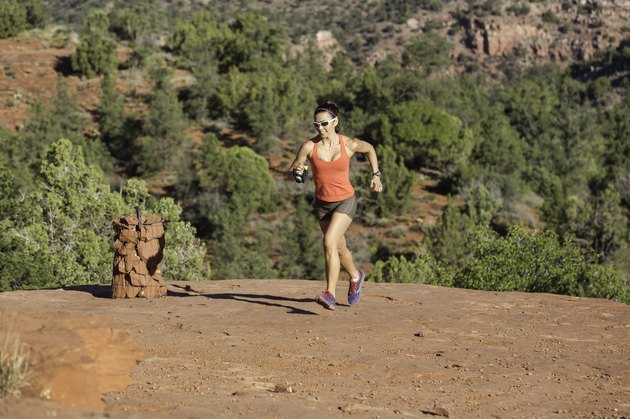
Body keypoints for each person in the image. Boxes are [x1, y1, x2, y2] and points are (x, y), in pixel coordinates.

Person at [290, 100, 383, 310]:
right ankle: (356, 276)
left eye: (324, 124)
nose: (320, 128)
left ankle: (329, 293)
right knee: (339, 248)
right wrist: (297, 171)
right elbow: (297, 165)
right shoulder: (309, 146)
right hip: (322, 204)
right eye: (316, 124)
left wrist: (376, 175)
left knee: (329, 242)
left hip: (345, 201)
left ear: (335, 122)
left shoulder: (348, 144)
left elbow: (370, 149)